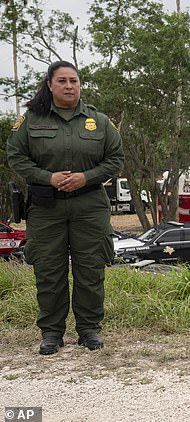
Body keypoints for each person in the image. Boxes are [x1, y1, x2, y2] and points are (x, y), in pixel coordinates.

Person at [6, 60, 124, 355]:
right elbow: (16, 156)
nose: (69, 86)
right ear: (50, 85)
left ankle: (89, 329)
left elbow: (115, 158)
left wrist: (87, 177)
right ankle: (51, 332)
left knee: (91, 269)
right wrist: (48, 177)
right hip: (46, 206)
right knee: (49, 271)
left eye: (74, 81)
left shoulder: (99, 121)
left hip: (89, 205)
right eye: (62, 81)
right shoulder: (31, 120)